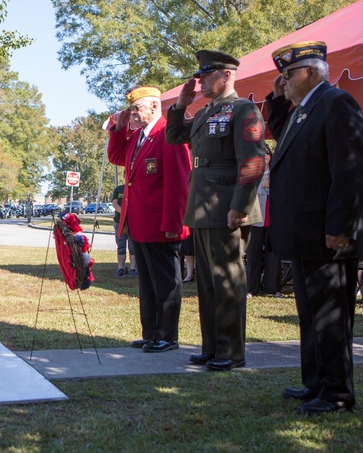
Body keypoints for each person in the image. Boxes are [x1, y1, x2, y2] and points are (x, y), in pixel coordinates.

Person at [265, 41, 363, 415]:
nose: (284, 81)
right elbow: (284, 140)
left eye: (289, 75)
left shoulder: (337, 102)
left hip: (329, 233)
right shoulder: (303, 110)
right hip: (307, 232)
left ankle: (338, 393)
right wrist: (277, 100)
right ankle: (316, 384)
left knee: (331, 317)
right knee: (311, 315)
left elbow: (351, 170)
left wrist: (340, 225)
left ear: (311, 71)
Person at [166, 50, 266, 371]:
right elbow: (173, 136)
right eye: (199, 76)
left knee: (228, 280)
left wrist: (240, 205)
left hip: (227, 207)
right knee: (208, 283)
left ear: (227, 75)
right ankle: (212, 347)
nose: (201, 81)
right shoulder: (206, 112)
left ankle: (232, 351)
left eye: (206, 76)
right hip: (203, 204)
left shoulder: (243, 110)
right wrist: (181, 104)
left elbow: (253, 160)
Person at [106, 85, 192, 353]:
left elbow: (179, 182)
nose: (132, 113)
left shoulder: (169, 134)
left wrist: (173, 223)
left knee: (166, 281)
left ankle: (167, 335)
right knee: (146, 281)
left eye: (136, 108)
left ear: (154, 106)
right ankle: (151, 332)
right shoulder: (138, 136)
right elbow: (116, 156)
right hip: (138, 223)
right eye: (130, 109)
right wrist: (119, 129)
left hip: (160, 223)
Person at [246, 147, 281, 296]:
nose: (265, 156)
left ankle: (272, 288)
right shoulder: (253, 173)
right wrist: (262, 186)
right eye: (262, 153)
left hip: (272, 219)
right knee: (253, 254)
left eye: (268, 153)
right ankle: (251, 288)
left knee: (273, 255)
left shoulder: (277, 172)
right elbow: (247, 192)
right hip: (256, 219)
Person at [111, 183, 136, 278]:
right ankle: (120, 269)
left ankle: (133, 269)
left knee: (133, 247)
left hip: (133, 221)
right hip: (119, 221)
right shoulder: (119, 189)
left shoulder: (137, 187)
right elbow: (114, 203)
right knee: (120, 246)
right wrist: (124, 211)